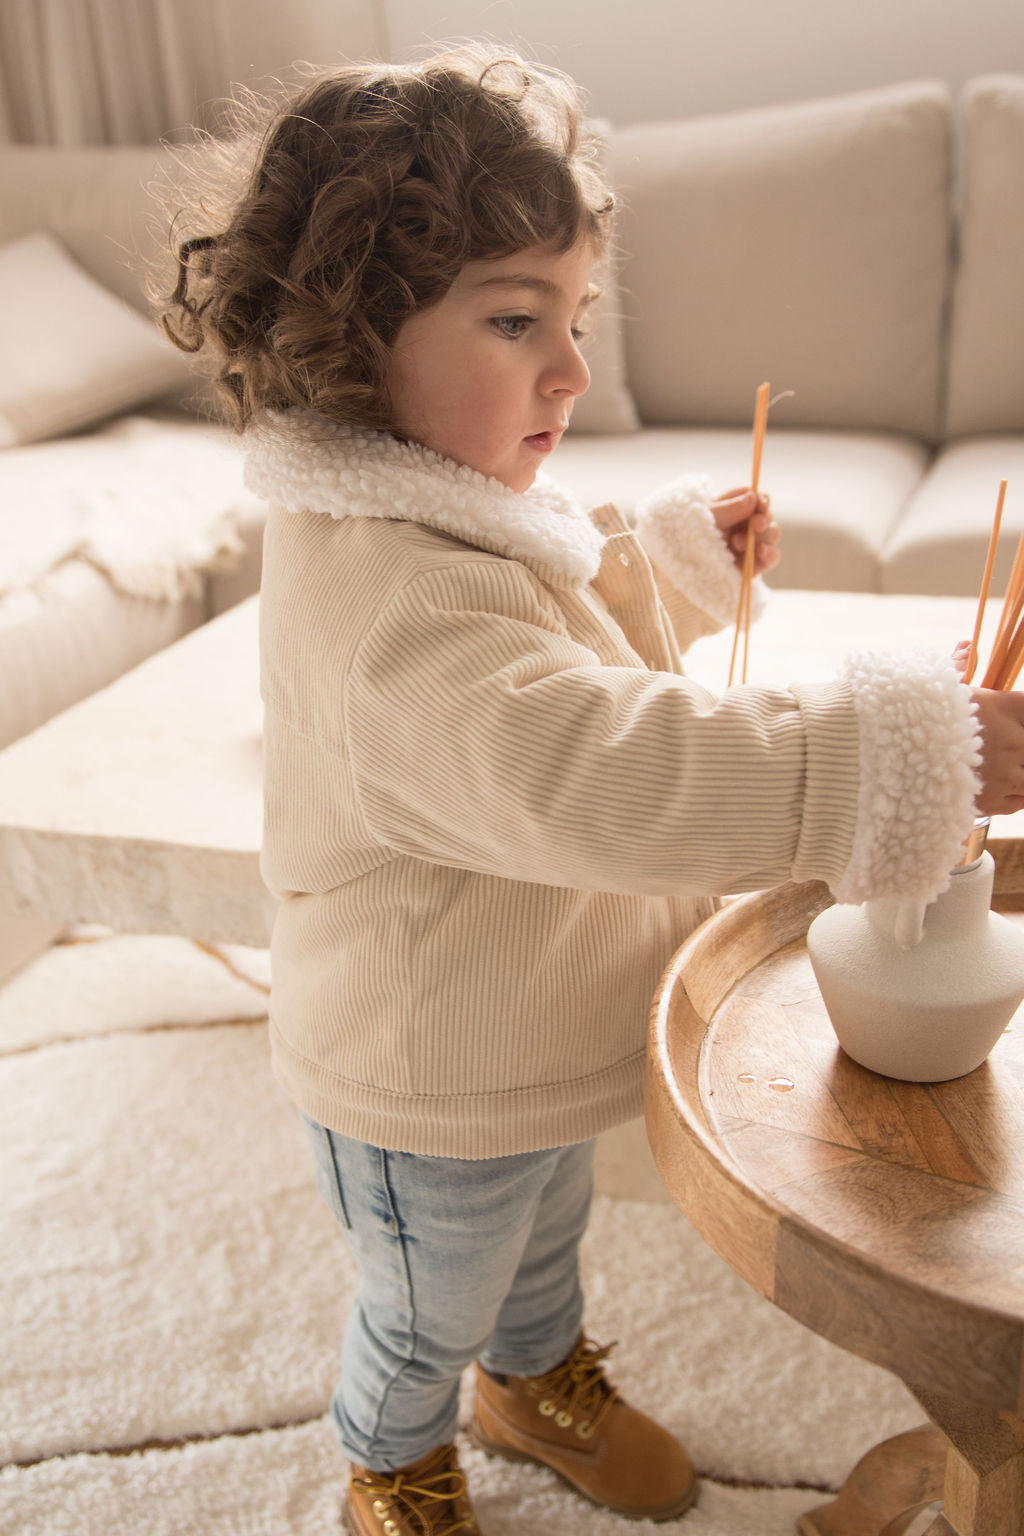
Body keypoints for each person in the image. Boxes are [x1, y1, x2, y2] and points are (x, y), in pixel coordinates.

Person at [157, 44, 1024, 1536]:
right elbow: (591, 766)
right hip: (423, 1075)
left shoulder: (451, 519)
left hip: (528, 1032)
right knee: (431, 1297)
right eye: (515, 320)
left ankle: (535, 1376)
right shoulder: (383, 610)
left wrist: (667, 557)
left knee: (546, 1239)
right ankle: (393, 1458)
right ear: (354, 340)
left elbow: (554, 619)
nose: (568, 368)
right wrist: (894, 749)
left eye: (576, 317)